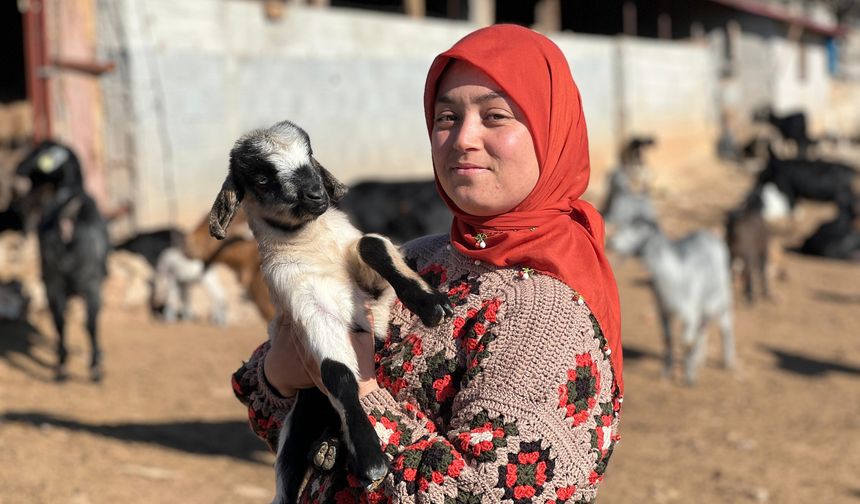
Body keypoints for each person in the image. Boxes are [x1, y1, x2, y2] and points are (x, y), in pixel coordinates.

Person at [232, 24, 623, 503]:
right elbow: (270, 406)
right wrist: (282, 369)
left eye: (496, 116)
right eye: (446, 117)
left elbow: (487, 493)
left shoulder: (547, 310)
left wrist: (361, 394)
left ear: (550, 130)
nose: (463, 138)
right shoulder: (418, 258)